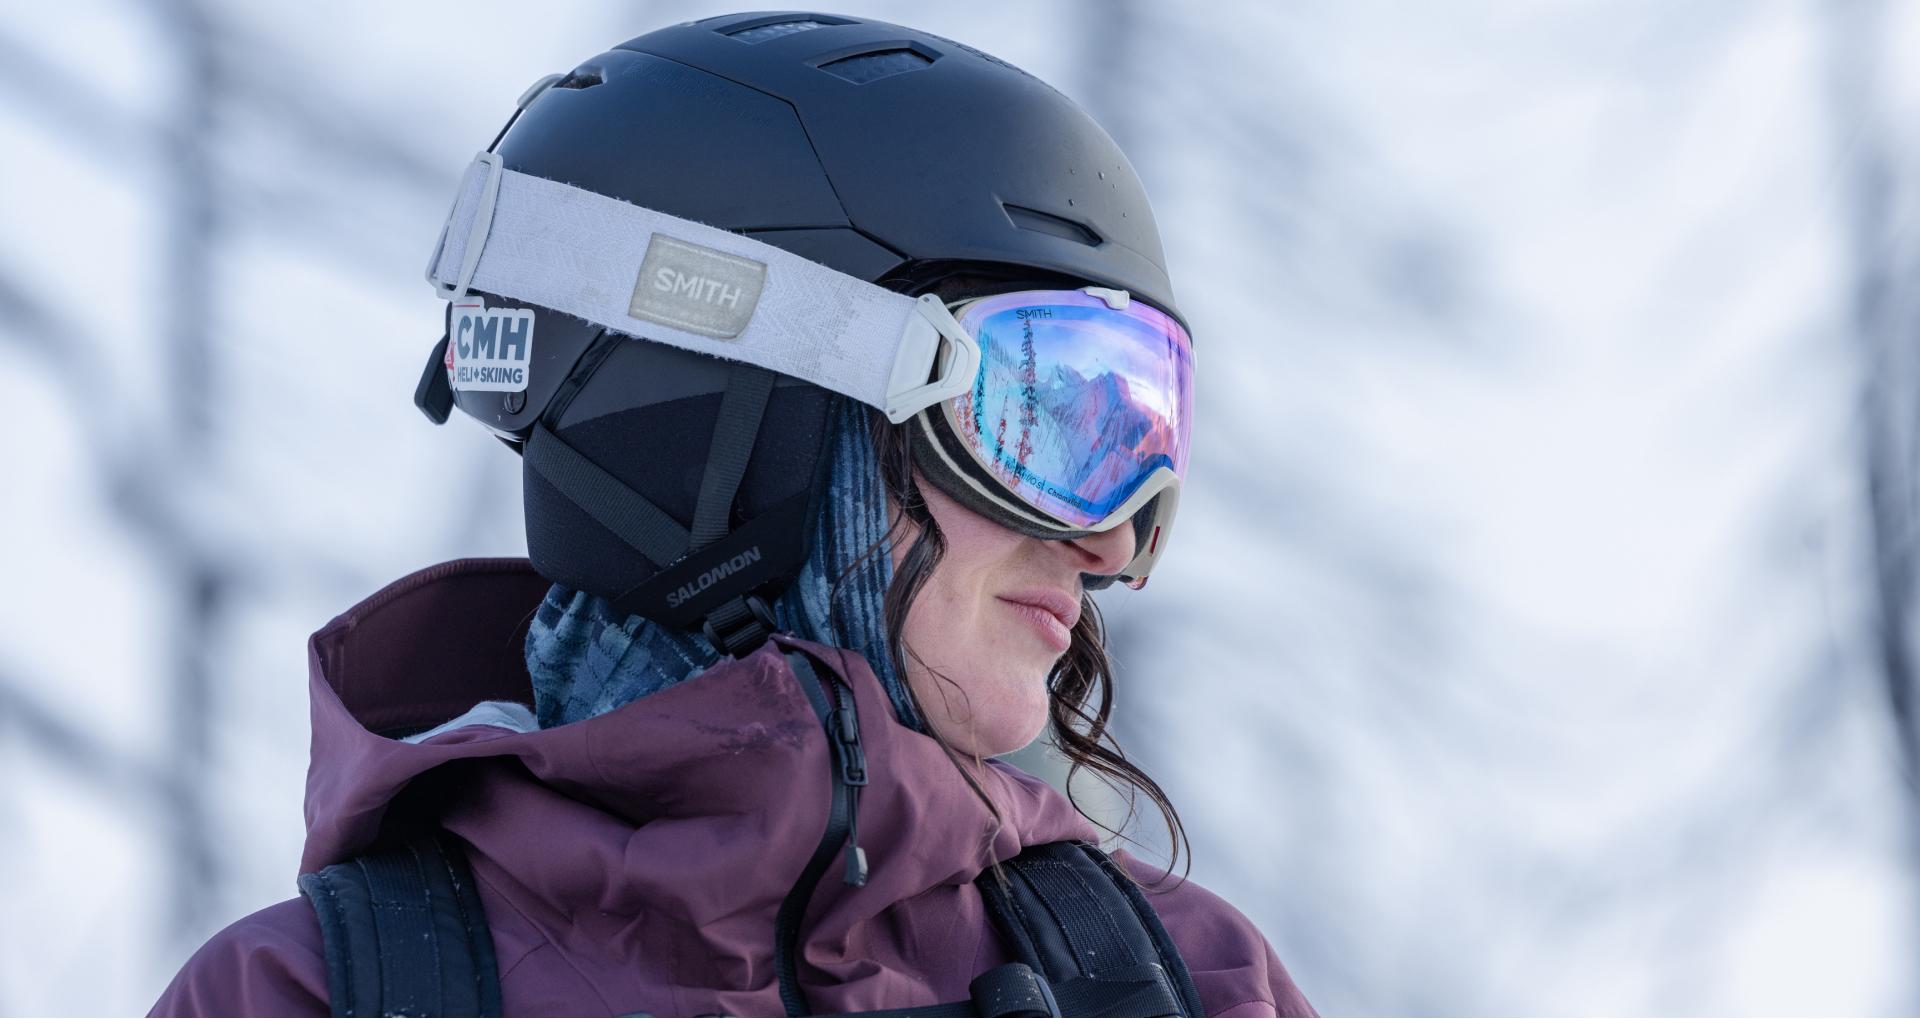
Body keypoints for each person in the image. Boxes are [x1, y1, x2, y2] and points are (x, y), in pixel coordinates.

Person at [152, 12, 1314, 1018]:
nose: (1109, 543)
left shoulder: (1191, 983)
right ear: (741, 414)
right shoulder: (307, 994)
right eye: (1031, 419)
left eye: (1140, 445)